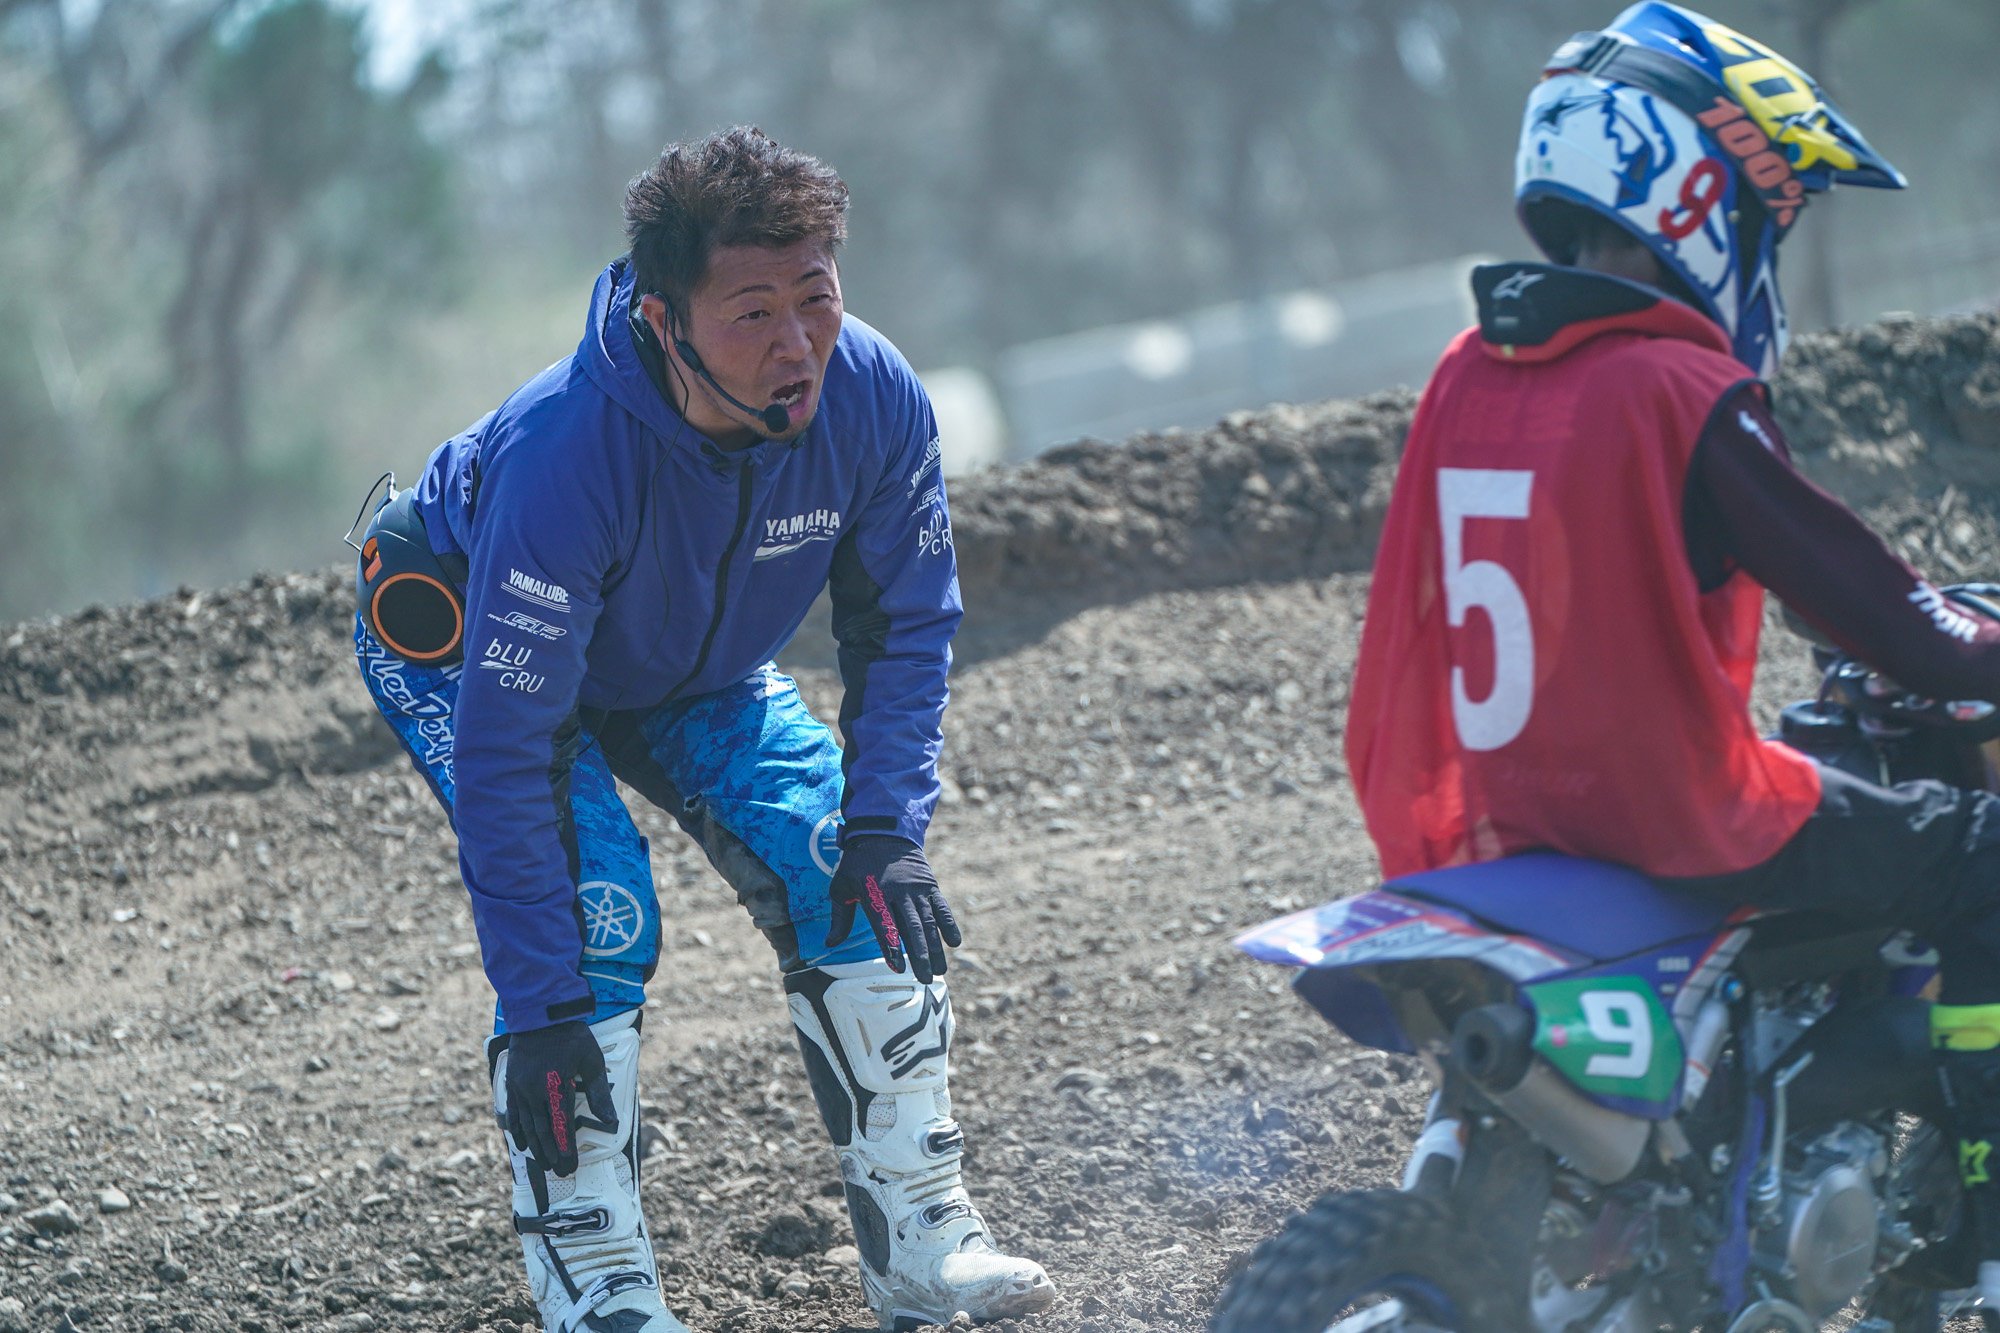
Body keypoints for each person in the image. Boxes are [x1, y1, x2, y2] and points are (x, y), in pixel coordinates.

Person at [1345, 0, 2000, 1302]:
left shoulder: (1467, 373)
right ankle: (1983, 1237)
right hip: (1681, 814)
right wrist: (1973, 644)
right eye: (1770, 213)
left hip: (1499, 825)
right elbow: (1879, 616)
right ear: (1697, 190)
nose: (1766, 247)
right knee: (1981, 862)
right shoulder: (1677, 387)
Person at [349, 127, 1055, 1333]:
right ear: (666, 321)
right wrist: (540, 1006)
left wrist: (887, 824)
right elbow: (512, 750)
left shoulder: (874, 395)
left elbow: (906, 625)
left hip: (686, 653)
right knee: (596, 924)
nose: (796, 344)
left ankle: (925, 1242)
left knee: (847, 862)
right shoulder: (567, 452)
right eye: (751, 313)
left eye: (815, 298)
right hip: (469, 638)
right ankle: (602, 1294)